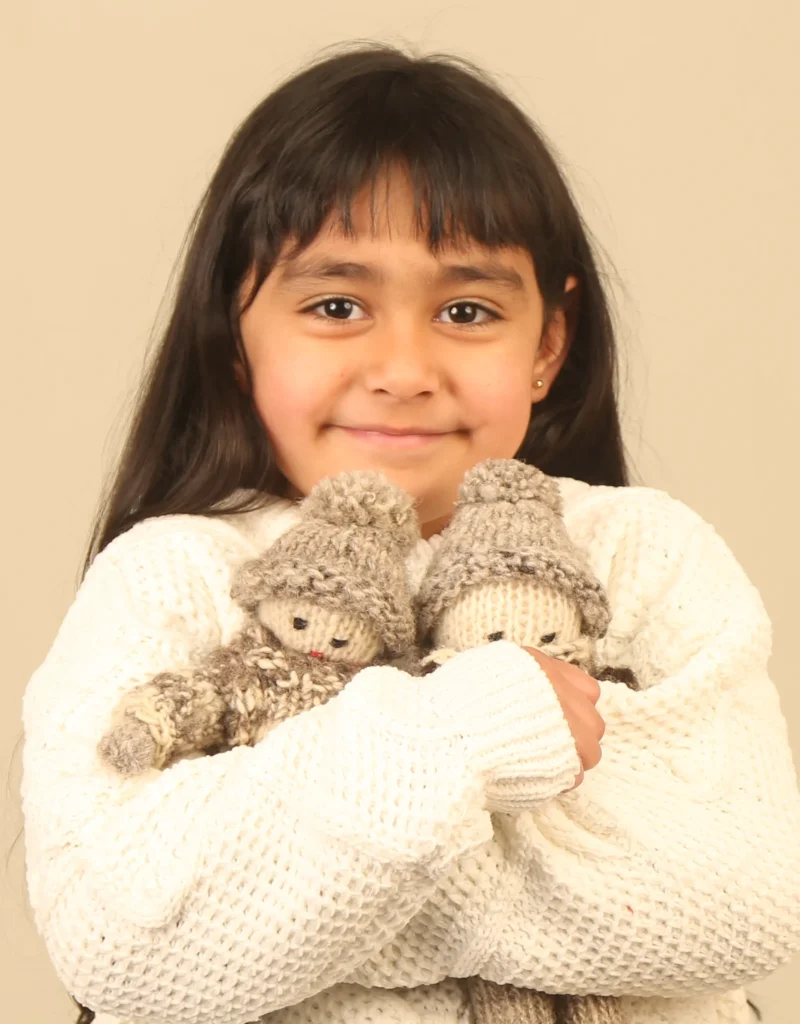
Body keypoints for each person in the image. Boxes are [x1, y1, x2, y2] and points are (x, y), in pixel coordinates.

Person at [20, 40, 798, 1024]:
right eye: (336, 305)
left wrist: (292, 905)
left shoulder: (644, 556)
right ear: (234, 330)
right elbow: (123, 936)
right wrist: (471, 734)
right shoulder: (168, 580)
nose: (401, 365)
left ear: (547, 344)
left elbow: (743, 900)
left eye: (466, 309)